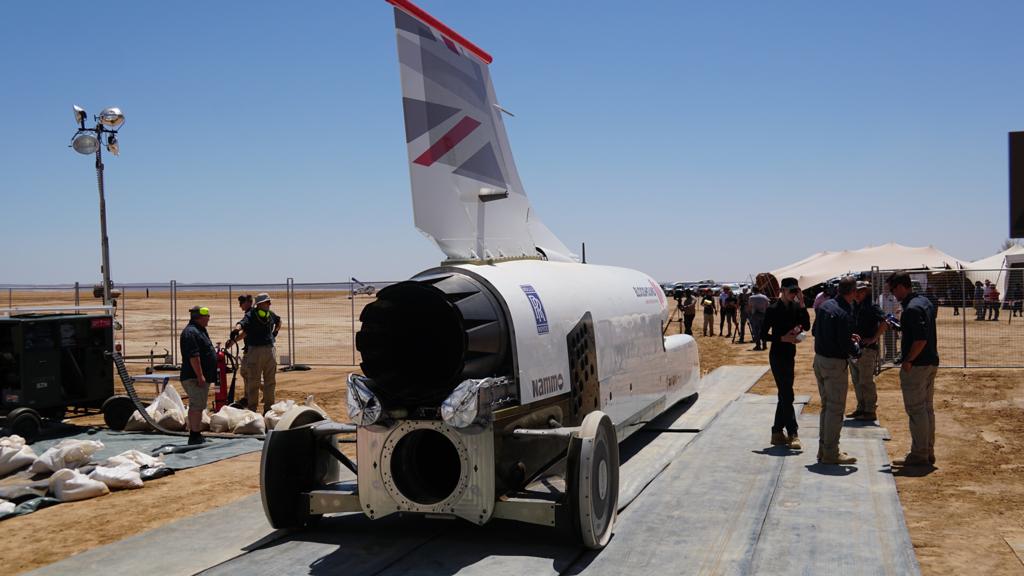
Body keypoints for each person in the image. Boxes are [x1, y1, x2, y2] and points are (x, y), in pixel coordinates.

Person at [887, 271, 939, 467]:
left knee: (917, 411)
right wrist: (901, 328)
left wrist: (908, 360)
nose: (893, 294)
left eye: (893, 290)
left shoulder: (911, 309)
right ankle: (927, 451)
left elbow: (920, 339)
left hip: (917, 365)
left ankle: (918, 454)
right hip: (930, 362)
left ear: (902, 286)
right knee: (926, 410)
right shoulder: (924, 302)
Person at [812, 276, 860, 465]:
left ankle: (824, 449)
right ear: (853, 292)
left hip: (820, 360)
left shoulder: (826, 305)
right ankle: (831, 452)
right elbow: (845, 345)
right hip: (834, 364)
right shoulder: (843, 311)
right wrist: (856, 347)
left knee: (827, 407)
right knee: (835, 409)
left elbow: (816, 331)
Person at [761, 277, 810, 450]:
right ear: (782, 290)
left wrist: (803, 303)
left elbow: (807, 325)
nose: (793, 294)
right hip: (777, 355)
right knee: (788, 395)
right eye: (791, 290)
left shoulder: (796, 307)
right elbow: (761, 334)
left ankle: (776, 432)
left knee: (785, 395)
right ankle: (793, 434)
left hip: (790, 354)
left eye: (796, 290)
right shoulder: (773, 309)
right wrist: (782, 338)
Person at [226, 292, 282, 413]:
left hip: (269, 351)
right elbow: (241, 323)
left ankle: (269, 410)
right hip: (255, 351)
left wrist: (275, 333)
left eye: (269, 302)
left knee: (270, 382)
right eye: (267, 302)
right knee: (253, 382)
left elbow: (279, 321)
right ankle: (252, 410)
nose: (270, 304)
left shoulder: (270, 315)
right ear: (260, 304)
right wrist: (236, 330)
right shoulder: (251, 315)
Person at [848, 281, 887, 421]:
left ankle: (870, 410)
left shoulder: (872, 306)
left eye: (860, 291)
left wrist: (874, 338)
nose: (857, 294)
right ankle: (861, 408)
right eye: (855, 291)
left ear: (865, 292)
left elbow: (885, 321)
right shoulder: (854, 305)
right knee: (857, 380)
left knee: (866, 381)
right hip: (854, 349)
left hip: (867, 350)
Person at [180, 305, 217, 445]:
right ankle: (194, 436)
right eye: (207, 316)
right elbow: (194, 357)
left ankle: (196, 434)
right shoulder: (191, 333)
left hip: (199, 377)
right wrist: (200, 376)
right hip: (194, 377)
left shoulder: (199, 330)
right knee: (196, 407)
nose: (209, 319)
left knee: (198, 406)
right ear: (200, 318)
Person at [230, 294, 254, 405]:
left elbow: (244, 332)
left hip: (252, 350)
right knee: (247, 373)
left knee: (248, 373)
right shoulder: (252, 314)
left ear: (249, 302)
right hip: (251, 349)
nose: (240, 306)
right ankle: (248, 396)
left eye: (241, 303)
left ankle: (249, 398)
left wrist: (233, 339)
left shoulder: (250, 315)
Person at [879, 284, 901, 363]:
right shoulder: (880, 297)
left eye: (887, 288)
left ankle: (893, 353)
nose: (886, 289)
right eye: (884, 288)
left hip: (892, 319)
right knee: (886, 337)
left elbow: (897, 307)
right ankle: (889, 353)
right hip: (884, 320)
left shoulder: (893, 297)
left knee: (893, 337)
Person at [748, 286, 770, 351]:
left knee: (756, 331)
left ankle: (758, 345)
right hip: (763, 315)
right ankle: (764, 344)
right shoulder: (764, 297)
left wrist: (750, 314)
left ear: (753, 291)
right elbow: (768, 306)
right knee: (763, 330)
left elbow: (749, 307)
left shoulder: (751, 297)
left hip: (755, 315)